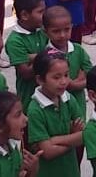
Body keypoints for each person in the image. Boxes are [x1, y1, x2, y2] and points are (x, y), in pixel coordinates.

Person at [26, 48, 84, 177]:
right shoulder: (35, 109)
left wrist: (54, 140)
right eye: (56, 77)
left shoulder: (68, 98)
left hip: (71, 170)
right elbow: (47, 152)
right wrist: (72, 137)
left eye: (66, 75)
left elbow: (84, 135)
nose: (63, 82)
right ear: (40, 80)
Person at [6, 0, 47, 109]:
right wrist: (45, 55)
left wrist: (33, 57)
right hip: (29, 97)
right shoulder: (15, 40)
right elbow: (26, 73)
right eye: (40, 12)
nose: (45, 15)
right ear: (24, 15)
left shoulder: (43, 30)